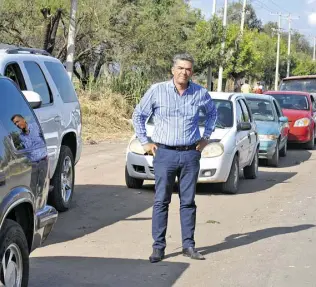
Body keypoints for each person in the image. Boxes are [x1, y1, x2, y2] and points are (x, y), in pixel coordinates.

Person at [132, 53, 217, 263]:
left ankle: (188, 245)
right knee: (161, 200)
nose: (184, 72)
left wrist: (205, 138)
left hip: (190, 154)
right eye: (180, 68)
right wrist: (145, 141)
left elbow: (213, 114)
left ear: (192, 72)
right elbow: (139, 115)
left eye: (188, 69)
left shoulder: (200, 93)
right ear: (173, 70)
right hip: (165, 154)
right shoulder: (157, 91)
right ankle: (158, 248)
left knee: (188, 202)